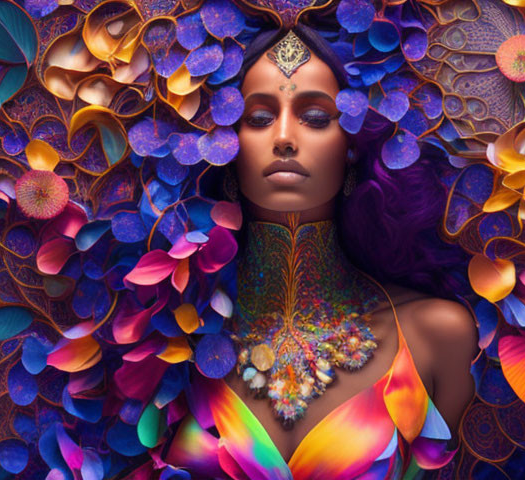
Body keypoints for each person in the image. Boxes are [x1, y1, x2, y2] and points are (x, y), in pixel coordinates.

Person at [154, 26, 477, 479]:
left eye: (317, 117)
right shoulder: (170, 337)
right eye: (260, 118)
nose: (284, 138)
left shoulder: (434, 333)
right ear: (224, 148)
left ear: (351, 148)